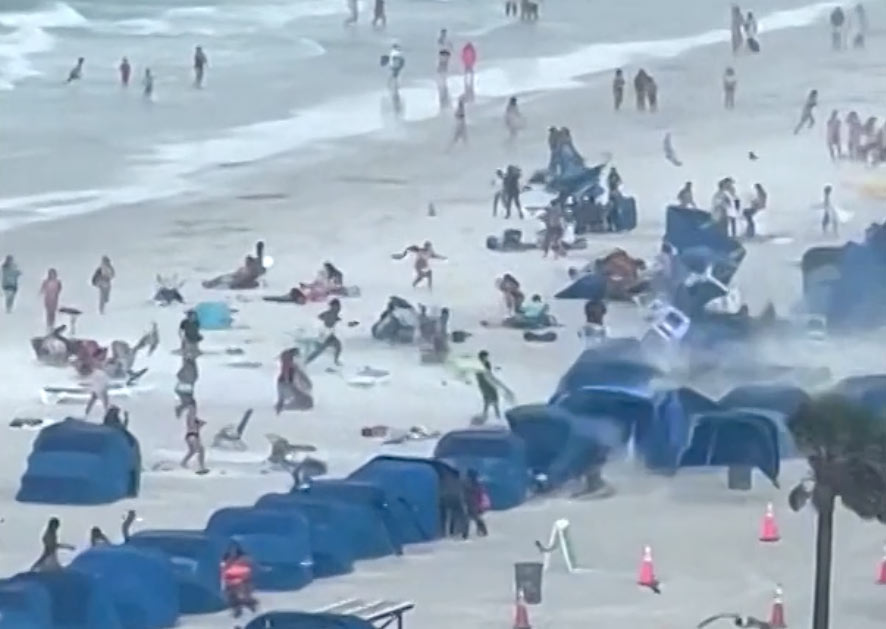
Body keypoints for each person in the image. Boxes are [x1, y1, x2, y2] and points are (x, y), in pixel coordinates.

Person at [221, 543, 257, 618]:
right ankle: (238, 609)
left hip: (240, 579)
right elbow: (224, 571)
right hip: (232, 581)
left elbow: (249, 568)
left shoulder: (245, 559)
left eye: (234, 550)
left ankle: (248, 605)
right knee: (233, 594)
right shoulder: (225, 560)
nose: (233, 552)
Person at [305, 299, 343, 366]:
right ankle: (306, 362)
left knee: (338, 346)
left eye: (339, 307)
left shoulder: (333, 314)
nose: (339, 308)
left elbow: (321, 316)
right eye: (337, 307)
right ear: (333, 307)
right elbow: (321, 317)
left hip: (330, 333)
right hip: (325, 334)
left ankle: (336, 361)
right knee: (320, 350)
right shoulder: (330, 313)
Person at [275, 348, 313, 412]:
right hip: (286, 384)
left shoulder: (292, 365)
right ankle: (284, 406)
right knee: (306, 401)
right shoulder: (289, 364)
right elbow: (287, 371)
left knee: (305, 400)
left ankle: (283, 406)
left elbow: (299, 374)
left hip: (284, 384)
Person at [181, 403, 209, 474]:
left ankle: (183, 462)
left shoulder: (194, 420)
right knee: (201, 450)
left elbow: (200, 424)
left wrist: (200, 424)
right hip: (192, 436)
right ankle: (201, 467)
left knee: (192, 451)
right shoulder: (190, 418)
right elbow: (192, 416)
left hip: (191, 436)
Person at [461, 469, 489, 538]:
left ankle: (465, 535)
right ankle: (483, 531)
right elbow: (479, 491)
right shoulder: (475, 483)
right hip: (473, 502)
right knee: (475, 518)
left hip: (470, 502)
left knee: (468, 519)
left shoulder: (467, 482)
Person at [40, 268, 62, 332]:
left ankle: (52, 324)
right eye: (51, 274)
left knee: (53, 312)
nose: (52, 275)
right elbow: (43, 289)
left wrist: (56, 293)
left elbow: (59, 289)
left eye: (53, 274)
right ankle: (48, 324)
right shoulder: (46, 282)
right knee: (48, 311)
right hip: (48, 298)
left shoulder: (57, 282)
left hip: (54, 298)